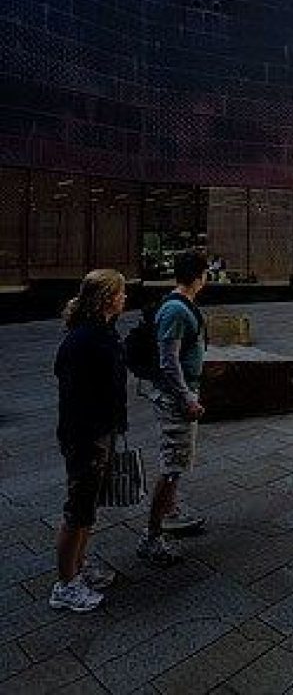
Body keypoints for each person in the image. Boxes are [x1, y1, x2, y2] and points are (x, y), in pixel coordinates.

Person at [51, 269, 128, 612]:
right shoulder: (84, 340)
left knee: (88, 508)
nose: (126, 297)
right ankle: (65, 585)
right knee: (78, 509)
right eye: (121, 292)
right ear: (107, 298)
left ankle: (78, 569)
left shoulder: (103, 333)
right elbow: (76, 393)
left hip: (100, 430)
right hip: (86, 435)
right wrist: (90, 434)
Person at [137, 248, 208, 565]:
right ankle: (152, 536)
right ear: (198, 276)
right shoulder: (176, 311)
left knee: (175, 463)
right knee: (170, 467)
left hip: (181, 394)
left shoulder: (181, 305)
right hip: (176, 399)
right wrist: (186, 398)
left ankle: (171, 512)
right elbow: (169, 362)